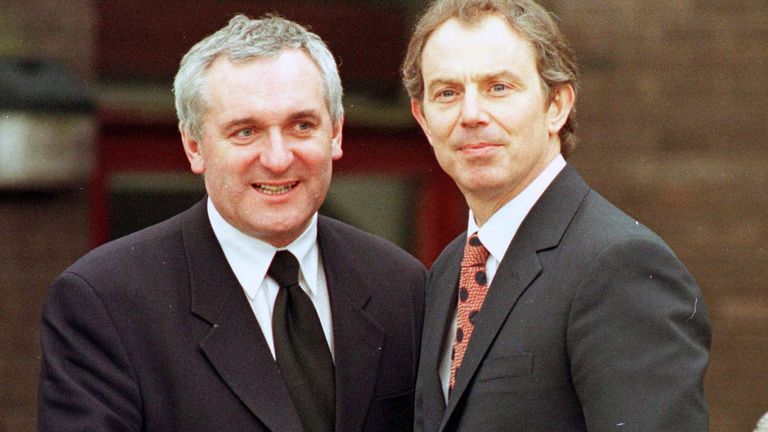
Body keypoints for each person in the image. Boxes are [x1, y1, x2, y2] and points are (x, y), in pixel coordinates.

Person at [38, 15, 425, 432]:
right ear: (194, 146)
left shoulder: (401, 286)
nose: (277, 158)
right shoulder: (106, 303)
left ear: (336, 133)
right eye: (245, 131)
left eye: (301, 126)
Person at [401, 1, 711, 430]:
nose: (471, 115)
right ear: (423, 117)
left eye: (498, 88)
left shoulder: (620, 266)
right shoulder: (450, 270)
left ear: (556, 106)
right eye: (447, 93)